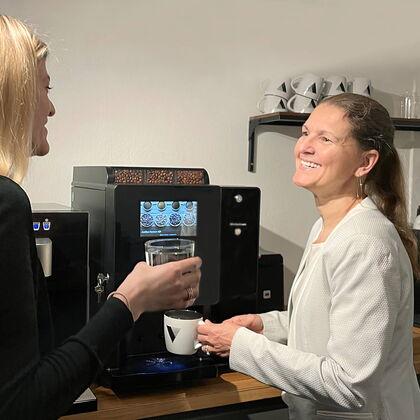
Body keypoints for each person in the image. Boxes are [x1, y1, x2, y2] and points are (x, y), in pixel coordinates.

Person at [0, 15, 201, 419]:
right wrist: (131, 300)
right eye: (45, 87)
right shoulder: (7, 203)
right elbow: (21, 402)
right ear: (15, 95)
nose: (51, 107)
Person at [198, 93, 420, 419]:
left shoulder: (365, 244)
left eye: (325, 138)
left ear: (365, 162)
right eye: (305, 133)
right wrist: (264, 326)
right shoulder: (325, 226)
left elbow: (350, 385)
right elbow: (328, 319)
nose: (305, 147)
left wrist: (241, 346)